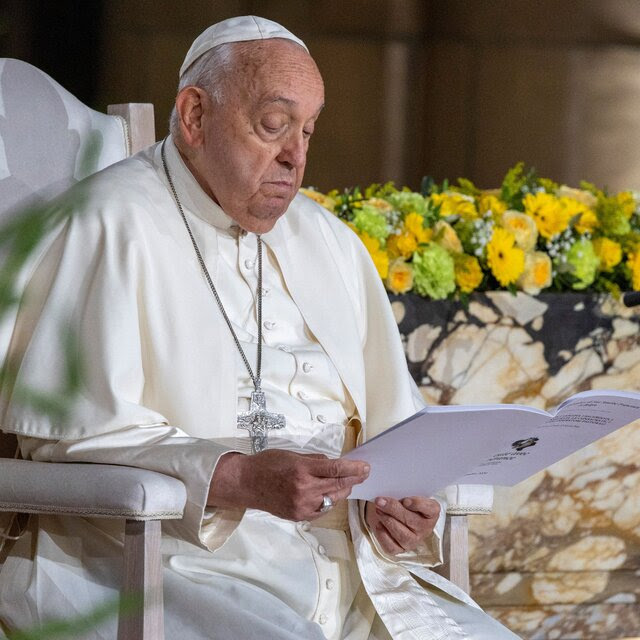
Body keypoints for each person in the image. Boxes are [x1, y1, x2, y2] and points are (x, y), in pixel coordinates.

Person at [0, 15, 520, 640]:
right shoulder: (109, 223)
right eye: (273, 126)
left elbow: (395, 428)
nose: (295, 158)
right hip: (163, 568)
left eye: (308, 132)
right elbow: (64, 438)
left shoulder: (330, 241)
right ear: (193, 116)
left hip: (354, 578)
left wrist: (404, 506)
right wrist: (240, 478)